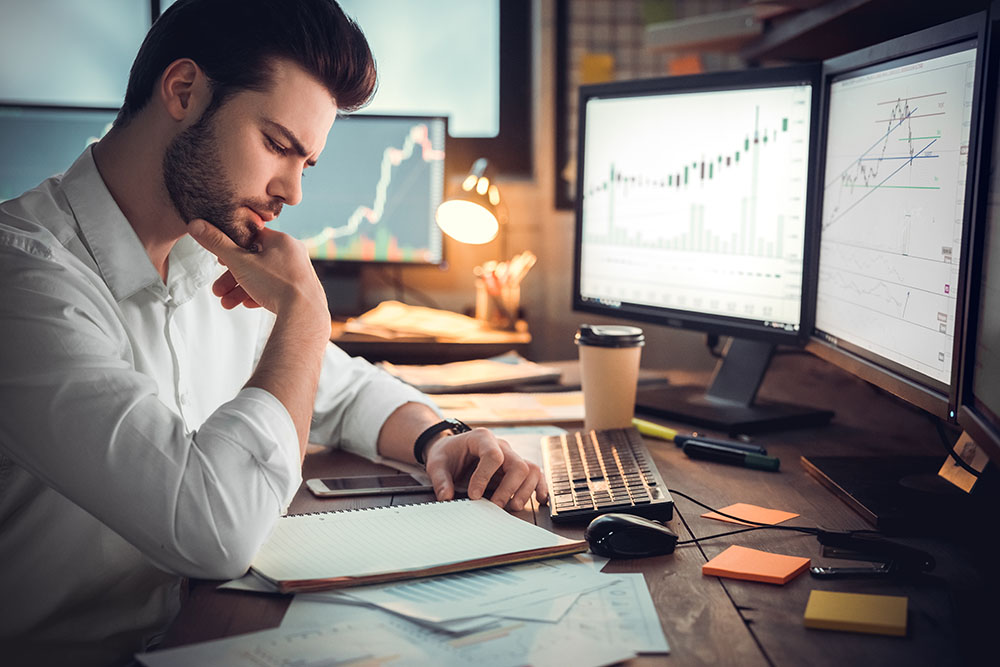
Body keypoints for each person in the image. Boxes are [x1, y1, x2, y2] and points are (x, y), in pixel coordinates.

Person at [0, 1, 546, 665]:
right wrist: (306, 312)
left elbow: (333, 385)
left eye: (307, 163)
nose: (291, 189)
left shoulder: (209, 250)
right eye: (278, 145)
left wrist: (438, 437)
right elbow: (213, 527)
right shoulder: (22, 280)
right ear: (183, 91)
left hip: (202, 630)